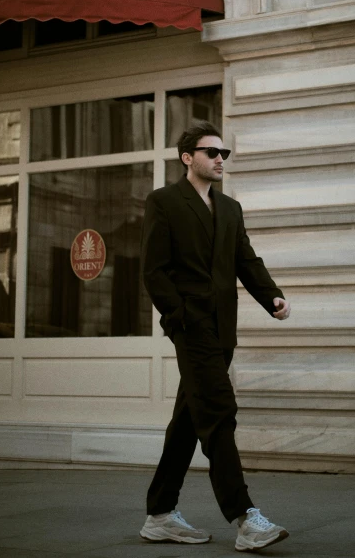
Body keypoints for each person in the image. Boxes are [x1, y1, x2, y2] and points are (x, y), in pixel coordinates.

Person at [139, 121, 291, 552]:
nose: (220, 158)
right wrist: (179, 316)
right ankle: (245, 519)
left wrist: (272, 296)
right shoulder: (164, 202)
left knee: (190, 419)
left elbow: (245, 258)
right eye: (211, 152)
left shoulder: (229, 208)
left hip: (223, 329)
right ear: (188, 157)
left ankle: (160, 514)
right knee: (220, 412)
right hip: (192, 327)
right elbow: (153, 269)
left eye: (223, 152)